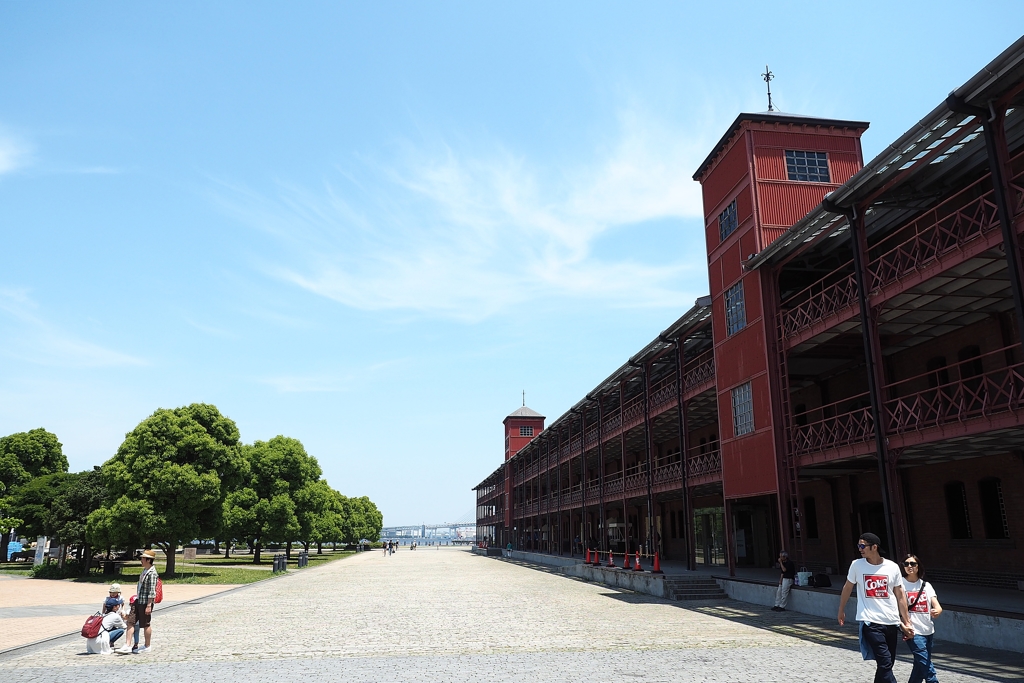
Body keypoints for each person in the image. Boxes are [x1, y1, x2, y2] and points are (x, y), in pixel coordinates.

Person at [838, 533, 914, 683]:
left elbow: (900, 596)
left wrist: (906, 621)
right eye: (858, 546)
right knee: (885, 662)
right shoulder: (857, 565)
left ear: (874, 547)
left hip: (892, 622)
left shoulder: (892, 567)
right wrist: (841, 609)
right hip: (870, 622)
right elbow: (847, 588)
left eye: (862, 546)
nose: (860, 549)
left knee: (887, 663)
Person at [902, 554, 942, 683]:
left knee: (920, 666)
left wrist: (937, 611)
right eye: (906, 564)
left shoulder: (926, 585)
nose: (909, 566)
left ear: (918, 566)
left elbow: (937, 605)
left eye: (913, 564)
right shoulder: (900, 584)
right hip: (913, 631)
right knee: (926, 665)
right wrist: (903, 625)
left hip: (928, 630)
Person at [85, 585, 127, 655]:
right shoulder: (115, 616)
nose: (119, 606)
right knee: (121, 630)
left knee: (110, 627)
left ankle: (109, 643)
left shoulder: (103, 615)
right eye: (117, 605)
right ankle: (109, 643)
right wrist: (126, 618)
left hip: (90, 644)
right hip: (100, 642)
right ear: (114, 607)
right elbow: (124, 627)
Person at [133, 548, 159, 654]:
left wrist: (149, 605)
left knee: (145, 624)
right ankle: (130, 643)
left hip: (145, 602)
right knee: (131, 621)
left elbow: (152, 591)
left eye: (143, 558)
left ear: (148, 560)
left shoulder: (152, 573)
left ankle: (147, 645)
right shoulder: (145, 571)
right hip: (139, 600)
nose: (141, 560)